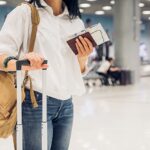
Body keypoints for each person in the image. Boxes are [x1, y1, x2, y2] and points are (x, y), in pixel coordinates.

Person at [0, 0, 94, 150]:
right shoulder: (24, 13)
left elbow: (75, 69)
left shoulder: (75, 21)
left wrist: (83, 58)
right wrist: (21, 62)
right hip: (34, 102)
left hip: (66, 104)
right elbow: (1, 55)